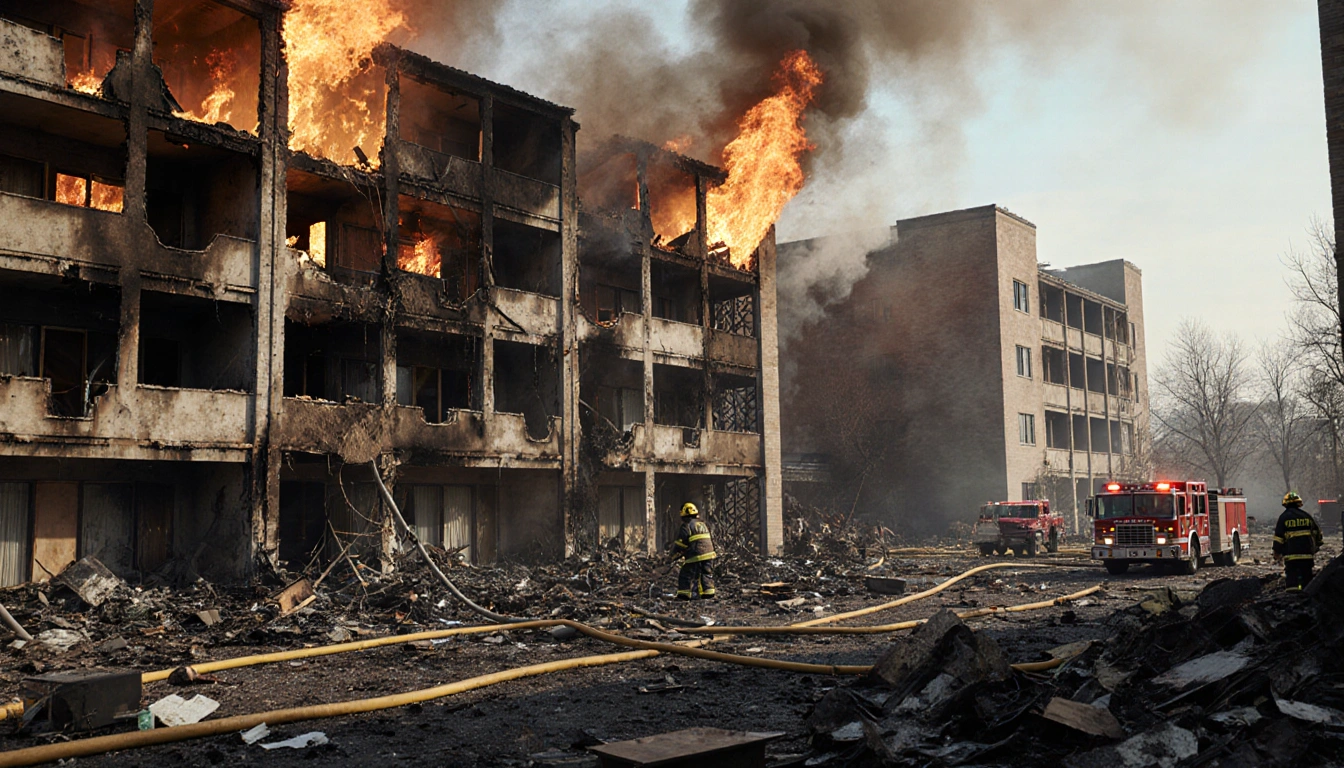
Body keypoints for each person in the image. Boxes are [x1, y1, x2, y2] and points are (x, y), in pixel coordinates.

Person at [1273, 491, 1324, 592]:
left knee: (1292, 580)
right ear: (1298, 503)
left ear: (1285, 504)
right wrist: (1316, 546)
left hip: (1292, 557)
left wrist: (1276, 552)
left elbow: (1279, 538)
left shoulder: (1283, 518)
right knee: (1307, 579)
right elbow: (1317, 534)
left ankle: (1292, 597)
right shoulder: (1306, 516)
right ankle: (1306, 596)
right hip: (1307, 555)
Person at [670, 502, 717, 600]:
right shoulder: (703, 524)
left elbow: (680, 544)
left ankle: (683, 595)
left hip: (696, 554)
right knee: (706, 573)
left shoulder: (686, 526)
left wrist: (672, 556)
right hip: (709, 554)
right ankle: (709, 593)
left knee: (685, 574)